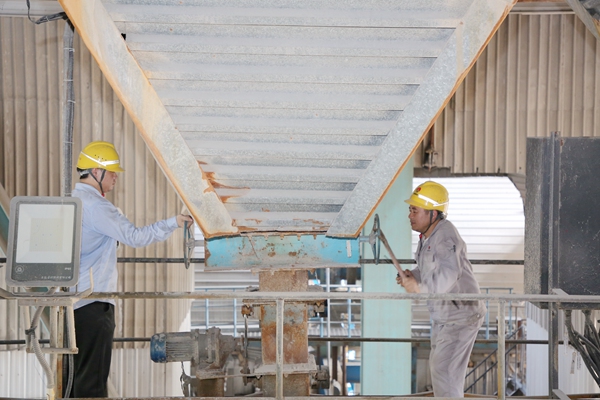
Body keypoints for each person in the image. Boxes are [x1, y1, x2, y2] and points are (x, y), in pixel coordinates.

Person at [69, 141, 193, 397]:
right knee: (92, 383)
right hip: (93, 303)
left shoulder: (74, 201)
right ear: (96, 171)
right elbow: (135, 237)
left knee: (74, 379)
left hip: (73, 304)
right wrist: (173, 222)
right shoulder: (97, 207)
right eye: (112, 171)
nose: (116, 177)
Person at [397, 181, 486, 397]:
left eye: (415, 210)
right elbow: (428, 269)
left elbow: (450, 273)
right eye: (410, 210)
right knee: (441, 370)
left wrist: (420, 287)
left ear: (433, 213)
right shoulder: (428, 236)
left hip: (461, 315)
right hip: (445, 315)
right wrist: (414, 276)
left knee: (444, 371)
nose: (410, 215)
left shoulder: (445, 236)